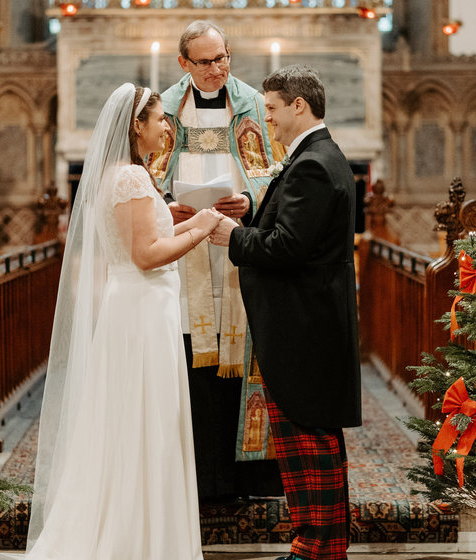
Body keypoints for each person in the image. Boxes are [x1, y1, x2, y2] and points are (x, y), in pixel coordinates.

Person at [6, 83, 222, 560]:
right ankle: (140, 541)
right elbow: (147, 255)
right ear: (135, 125)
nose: (167, 127)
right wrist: (204, 230)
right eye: (160, 118)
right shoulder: (132, 179)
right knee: (147, 425)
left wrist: (189, 219)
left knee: (131, 422)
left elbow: (141, 238)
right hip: (142, 311)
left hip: (137, 308)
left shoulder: (118, 175)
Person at [209, 65, 362, 560]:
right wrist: (249, 218)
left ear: (299, 105)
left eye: (272, 109)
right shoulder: (319, 156)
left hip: (304, 326)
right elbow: (293, 232)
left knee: (309, 440)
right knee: (308, 441)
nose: (267, 119)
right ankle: (315, 547)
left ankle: (317, 550)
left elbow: (288, 248)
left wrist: (230, 235)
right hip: (310, 320)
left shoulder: (313, 164)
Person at [148, 19, 283, 501]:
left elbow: (271, 170)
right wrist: (166, 205)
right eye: (205, 62)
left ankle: (244, 477)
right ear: (183, 63)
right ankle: (194, 480)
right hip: (180, 248)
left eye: (223, 57)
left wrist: (249, 200)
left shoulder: (251, 103)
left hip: (237, 244)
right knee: (188, 355)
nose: (216, 69)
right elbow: (145, 174)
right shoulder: (162, 108)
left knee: (242, 350)